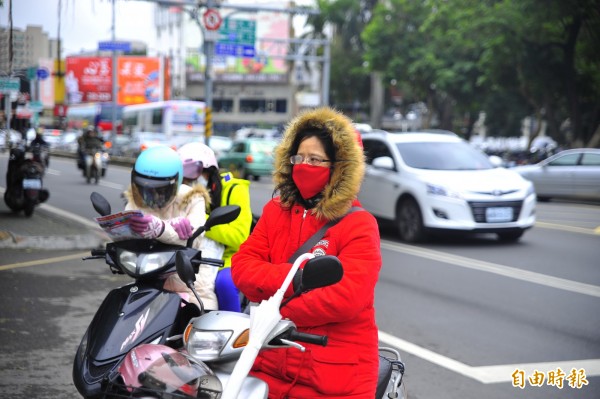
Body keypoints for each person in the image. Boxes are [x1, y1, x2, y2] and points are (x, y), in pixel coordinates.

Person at [231, 106, 382, 398]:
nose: (303, 166)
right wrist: (299, 278)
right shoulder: (276, 212)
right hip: (269, 362)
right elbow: (243, 268)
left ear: (339, 168)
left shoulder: (360, 224)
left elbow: (346, 297)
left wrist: (275, 307)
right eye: (298, 158)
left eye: (315, 159)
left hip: (335, 374)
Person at [122, 145, 219, 310]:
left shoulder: (193, 199)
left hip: (188, 279)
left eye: (160, 189)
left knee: (202, 318)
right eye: (145, 188)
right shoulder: (136, 199)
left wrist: (160, 229)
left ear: (177, 182)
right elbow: (129, 236)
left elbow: (194, 239)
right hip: (148, 275)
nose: (152, 195)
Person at [177, 141, 253, 312]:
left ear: (209, 173)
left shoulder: (235, 189)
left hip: (229, 258)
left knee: (224, 284)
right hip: (192, 254)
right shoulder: (182, 194)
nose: (190, 183)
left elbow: (239, 237)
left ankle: (235, 333)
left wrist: (199, 220)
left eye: (195, 175)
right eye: (185, 178)